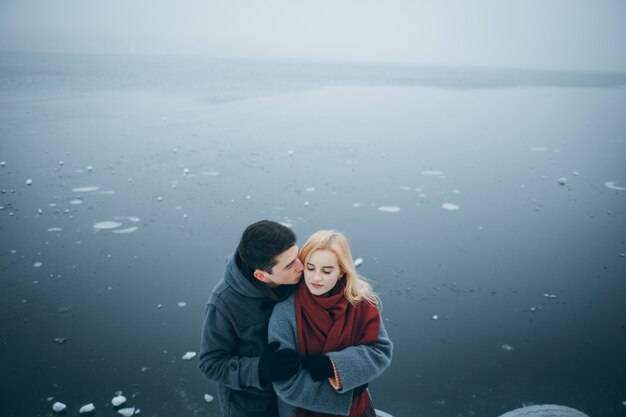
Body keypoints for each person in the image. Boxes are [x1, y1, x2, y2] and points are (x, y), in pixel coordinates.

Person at [269, 230, 393, 417]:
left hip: (359, 411)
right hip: (301, 412)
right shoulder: (286, 312)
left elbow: (380, 350)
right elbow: (286, 383)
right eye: (310, 268)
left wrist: (335, 365)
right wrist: (348, 396)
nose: (316, 278)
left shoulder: (361, 304)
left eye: (327, 271)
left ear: (342, 270)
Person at [199, 220, 305, 417]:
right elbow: (211, 364)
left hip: (298, 399)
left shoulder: (300, 279)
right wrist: (260, 369)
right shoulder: (224, 303)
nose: (301, 266)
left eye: (297, 256)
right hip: (252, 408)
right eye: (290, 265)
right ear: (262, 276)